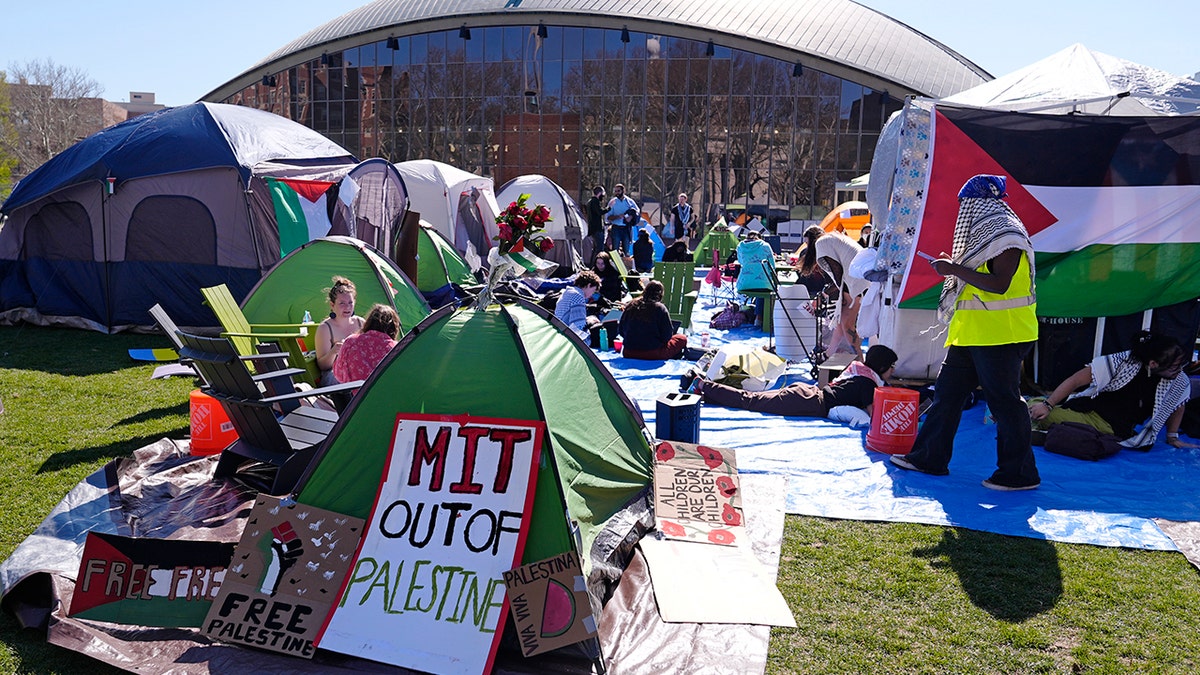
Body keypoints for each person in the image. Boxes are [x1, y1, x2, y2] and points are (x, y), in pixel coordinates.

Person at [889, 174, 1041, 491]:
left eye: (967, 206)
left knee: (1005, 404)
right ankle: (928, 458)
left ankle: (1020, 474)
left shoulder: (1007, 236)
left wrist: (953, 269)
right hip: (973, 334)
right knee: (946, 396)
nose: (962, 214)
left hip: (1003, 335)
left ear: (980, 205)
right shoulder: (991, 236)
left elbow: (999, 285)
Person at [1030, 331, 1198, 449]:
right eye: (1175, 367)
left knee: (1031, 407)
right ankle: (1058, 433)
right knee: (1037, 406)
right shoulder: (1124, 362)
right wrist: (1048, 404)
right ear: (1153, 364)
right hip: (1088, 410)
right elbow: (1075, 380)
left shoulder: (1177, 380)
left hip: (1108, 426)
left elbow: (1179, 402)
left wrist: (1172, 436)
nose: (1179, 371)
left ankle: (1053, 434)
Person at [684, 345, 898, 421]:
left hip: (807, 394)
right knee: (749, 401)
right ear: (882, 367)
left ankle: (706, 393)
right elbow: (874, 416)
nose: (893, 371)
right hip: (808, 402)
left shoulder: (861, 373)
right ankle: (704, 386)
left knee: (751, 400)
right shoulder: (869, 385)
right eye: (892, 367)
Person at [798, 226, 867, 358]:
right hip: (858, 278)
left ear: (811, 240)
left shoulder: (821, 243)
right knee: (841, 321)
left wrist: (825, 294)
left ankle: (859, 360)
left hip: (855, 282)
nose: (807, 247)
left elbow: (838, 275)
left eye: (807, 243)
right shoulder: (830, 239)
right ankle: (829, 353)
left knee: (847, 324)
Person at [333, 304, 401, 387]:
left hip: (356, 397)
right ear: (394, 327)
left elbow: (338, 374)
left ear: (368, 322)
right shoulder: (397, 349)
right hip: (386, 396)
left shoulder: (351, 342)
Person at [618, 279, 688, 360]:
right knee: (682, 338)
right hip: (653, 353)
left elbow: (621, 331)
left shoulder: (631, 305)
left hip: (629, 352)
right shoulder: (660, 308)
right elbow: (667, 336)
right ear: (660, 294)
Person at [316, 275, 366, 386]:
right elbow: (323, 366)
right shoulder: (325, 328)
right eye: (342, 303)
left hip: (360, 370)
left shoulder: (361, 323)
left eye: (350, 303)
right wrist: (334, 351)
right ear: (332, 305)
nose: (347, 307)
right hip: (335, 375)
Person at [554, 271, 602, 340]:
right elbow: (578, 329)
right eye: (593, 291)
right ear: (589, 285)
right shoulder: (578, 296)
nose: (592, 295)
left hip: (561, 333)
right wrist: (590, 322)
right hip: (568, 338)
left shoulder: (567, 292)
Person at [606, 183, 639, 256]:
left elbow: (637, 212)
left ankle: (626, 265)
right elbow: (608, 217)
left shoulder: (629, 202)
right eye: (615, 191)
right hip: (616, 228)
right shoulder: (612, 202)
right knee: (615, 250)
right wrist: (617, 216)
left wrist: (630, 217)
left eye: (618, 191)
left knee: (626, 250)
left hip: (626, 228)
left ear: (623, 191)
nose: (617, 193)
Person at [586, 185, 607, 261]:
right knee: (599, 249)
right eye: (603, 194)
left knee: (595, 249)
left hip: (592, 229)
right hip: (597, 229)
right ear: (600, 193)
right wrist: (609, 208)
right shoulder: (595, 201)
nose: (603, 196)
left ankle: (592, 265)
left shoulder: (590, 202)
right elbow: (600, 212)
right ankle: (597, 265)